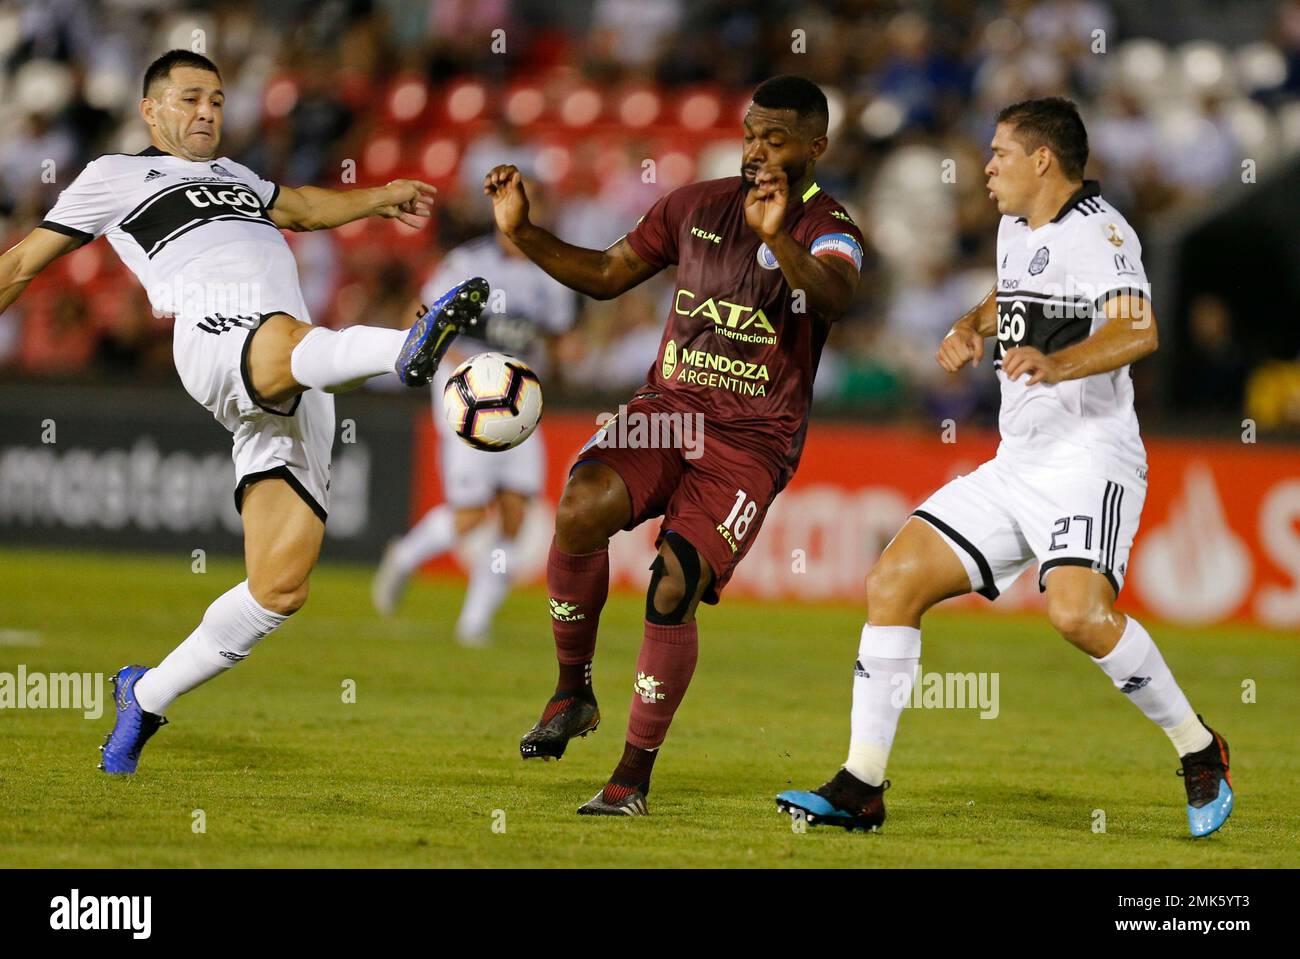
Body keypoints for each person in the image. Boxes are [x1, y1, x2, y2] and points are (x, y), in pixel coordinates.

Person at [0, 49, 486, 773]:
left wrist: (379, 194)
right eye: (192, 97)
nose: (208, 112)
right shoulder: (114, 176)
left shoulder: (236, 177)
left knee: (279, 587)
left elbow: (303, 208)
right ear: (151, 109)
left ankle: (146, 694)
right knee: (292, 338)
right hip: (218, 335)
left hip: (295, 375)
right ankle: (404, 349)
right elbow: (19, 264)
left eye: (219, 100)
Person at [776, 97, 1233, 838]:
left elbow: (1137, 327)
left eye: (1000, 154)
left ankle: (1199, 748)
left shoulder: (1103, 233)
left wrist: (1058, 363)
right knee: (893, 579)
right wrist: (967, 325)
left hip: (1091, 460)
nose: (986, 167)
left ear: (1043, 160)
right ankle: (861, 784)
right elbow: (1009, 297)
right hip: (1017, 462)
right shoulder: (1013, 228)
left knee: (1078, 615)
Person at [485, 75, 864, 815]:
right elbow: (603, 275)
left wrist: (776, 236)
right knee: (579, 506)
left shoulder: (830, 224)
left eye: (776, 138)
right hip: (667, 411)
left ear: (816, 146)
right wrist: (523, 233)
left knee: (672, 582)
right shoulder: (695, 205)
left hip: (751, 440)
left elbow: (837, 296)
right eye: (751, 133)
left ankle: (630, 779)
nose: (756, 150)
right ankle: (572, 691)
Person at [371, 209, 576, 646]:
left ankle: (474, 624)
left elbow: (557, 335)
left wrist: (559, 364)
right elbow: (421, 312)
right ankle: (406, 558)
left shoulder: (550, 270)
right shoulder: (467, 265)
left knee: (516, 513)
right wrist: (456, 368)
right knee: (470, 515)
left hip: (519, 400)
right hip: (467, 400)